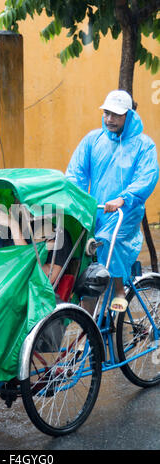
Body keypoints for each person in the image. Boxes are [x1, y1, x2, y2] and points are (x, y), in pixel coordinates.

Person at [66, 89, 159, 312]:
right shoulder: (93, 140)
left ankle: (119, 290)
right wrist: (76, 200)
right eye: (107, 113)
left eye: (116, 115)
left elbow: (147, 177)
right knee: (82, 253)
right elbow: (76, 173)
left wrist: (124, 199)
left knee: (107, 240)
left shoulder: (143, 145)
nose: (109, 119)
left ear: (129, 115)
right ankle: (87, 324)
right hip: (97, 211)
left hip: (126, 212)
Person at [0, 205, 72, 285]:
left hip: (23, 290)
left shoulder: (56, 232)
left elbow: (46, 279)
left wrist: (13, 225)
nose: (17, 202)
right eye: (15, 196)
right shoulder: (6, 228)